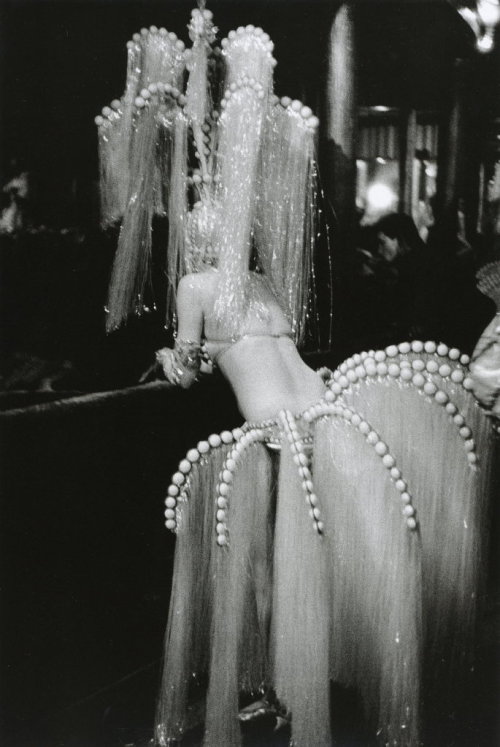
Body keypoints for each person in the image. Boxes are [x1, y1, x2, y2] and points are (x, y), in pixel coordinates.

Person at [97, 7, 495, 746]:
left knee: (270, 567)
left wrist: (167, 358)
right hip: (327, 409)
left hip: (276, 434)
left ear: (196, 233)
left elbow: (185, 372)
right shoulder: (267, 286)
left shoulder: (196, 289)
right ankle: (297, 680)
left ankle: (280, 688)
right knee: (319, 557)